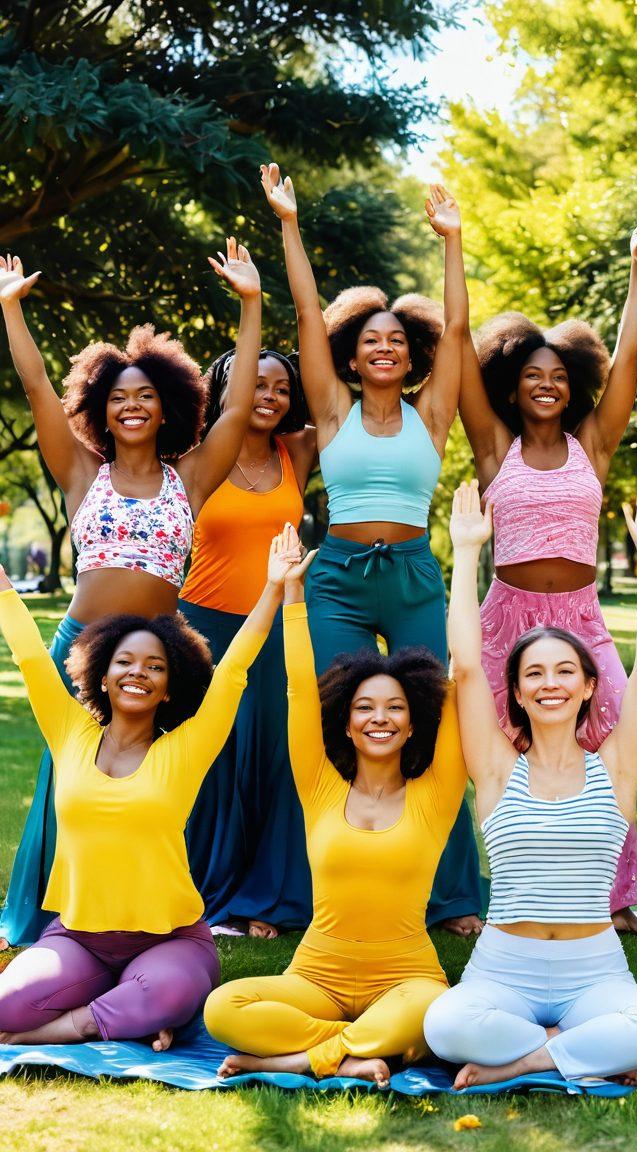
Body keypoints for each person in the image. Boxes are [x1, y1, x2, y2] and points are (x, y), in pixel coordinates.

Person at [0, 241, 262, 948]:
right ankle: (48, 916)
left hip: (160, 656)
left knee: (156, 786)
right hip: (79, 647)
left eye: (146, 395)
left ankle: (150, 913)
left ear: (168, 405)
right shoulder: (82, 472)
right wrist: (10, 311)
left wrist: (250, 303)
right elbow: (33, 391)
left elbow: (238, 407)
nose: (133, 406)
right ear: (101, 409)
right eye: (119, 398)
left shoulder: (193, 476)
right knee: (69, 780)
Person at [259, 164, 482, 936]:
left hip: (417, 576)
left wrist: (452, 245)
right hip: (340, 582)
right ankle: (305, 891)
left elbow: (458, 331)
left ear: (409, 356)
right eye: (369, 342)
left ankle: (451, 898)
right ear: (350, 358)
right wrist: (290, 222)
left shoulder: (433, 412)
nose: (382, 349)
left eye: (395, 341)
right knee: (325, 725)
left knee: (438, 725)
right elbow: (305, 309)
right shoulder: (329, 408)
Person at [423, 482, 637, 1089]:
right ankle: (588, 1053)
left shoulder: (616, 768)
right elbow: (464, 666)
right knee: (444, 1026)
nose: (550, 684)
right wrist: (467, 554)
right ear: (514, 692)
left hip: (595, 970)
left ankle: (527, 1060)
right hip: (501, 968)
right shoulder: (493, 768)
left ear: (590, 685)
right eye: (533, 673)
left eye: (566, 670)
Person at [0, 530, 294, 1049]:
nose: (139, 673)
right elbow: (27, 653)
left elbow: (232, 674)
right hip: (80, 938)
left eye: (155, 667)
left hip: (171, 940)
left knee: (170, 990)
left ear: (169, 684)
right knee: (7, 1002)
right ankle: (128, 1012)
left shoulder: (184, 748)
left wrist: (272, 588)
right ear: (102, 672)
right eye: (126, 662)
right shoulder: (70, 731)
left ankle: (70, 1027)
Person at [204, 526, 468, 1087]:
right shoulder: (320, 787)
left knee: (434, 1012)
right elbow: (301, 691)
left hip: (406, 978)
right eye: (365, 707)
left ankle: (302, 1058)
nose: (379, 718)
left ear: (415, 721)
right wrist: (293, 596)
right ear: (345, 724)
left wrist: (463, 561)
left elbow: (458, 677)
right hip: (317, 977)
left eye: (395, 707)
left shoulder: (436, 794)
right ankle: (356, 1051)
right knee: (222, 1008)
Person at [457, 205, 637, 935]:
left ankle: (613, 898)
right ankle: (482, 894)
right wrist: (454, 243)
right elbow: (454, 344)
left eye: (558, 377)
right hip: (505, 614)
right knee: (483, 742)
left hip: (580, 613)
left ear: (574, 386)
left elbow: (631, 358)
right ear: (512, 386)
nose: (545, 386)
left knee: (610, 728)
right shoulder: (492, 446)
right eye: (531, 376)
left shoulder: (595, 446)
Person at [180, 349, 316, 938]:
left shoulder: (300, 451)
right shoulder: (193, 456)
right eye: (254, 384)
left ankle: (265, 896)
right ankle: (204, 893)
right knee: (213, 759)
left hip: (274, 623)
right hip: (203, 625)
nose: (269, 395)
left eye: (281, 387)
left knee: (272, 754)